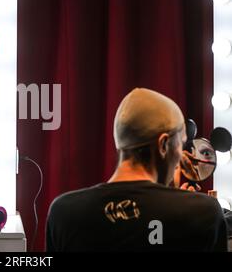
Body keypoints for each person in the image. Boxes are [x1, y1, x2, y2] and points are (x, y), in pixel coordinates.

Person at [46, 88, 228, 251]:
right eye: (180, 144)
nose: (181, 157)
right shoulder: (204, 212)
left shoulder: (64, 213)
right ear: (163, 144)